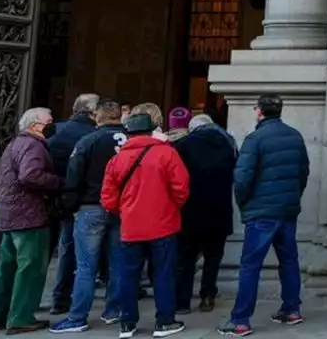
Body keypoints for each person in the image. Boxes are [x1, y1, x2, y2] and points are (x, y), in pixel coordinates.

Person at [218, 95, 311, 337]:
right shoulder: (295, 136)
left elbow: (242, 179)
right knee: (289, 260)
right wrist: (293, 197)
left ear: (259, 112)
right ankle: (292, 309)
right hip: (287, 209)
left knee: (250, 265)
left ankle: (240, 320)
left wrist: (244, 204)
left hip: (261, 212)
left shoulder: (255, 139)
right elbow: (303, 172)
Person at [100, 114, 189, 339]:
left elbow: (108, 198)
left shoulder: (116, 160)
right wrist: (170, 207)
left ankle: (127, 323)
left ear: (128, 133)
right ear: (151, 131)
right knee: (163, 274)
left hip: (130, 227)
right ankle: (164, 321)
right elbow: (181, 188)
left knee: (128, 275)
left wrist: (126, 211)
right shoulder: (167, 153)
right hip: (163, 225)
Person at [50, 100, 129, 333]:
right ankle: (113, 310)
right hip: (121, 208)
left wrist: (70, 205)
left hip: (91, 207)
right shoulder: (131, 141)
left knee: (86, 266)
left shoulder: (89, 141)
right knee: (117, 262)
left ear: (98, 116)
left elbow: (74, 175)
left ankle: (77, 317)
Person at [0, 108, 61, 335]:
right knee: (30, 269)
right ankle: (20, 317)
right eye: (49, 121)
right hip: (30, 217)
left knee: (6, 268)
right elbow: (30, 175)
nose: (52, 125)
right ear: (35, 125)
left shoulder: (15, 144)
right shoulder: (33, 145)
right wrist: (57, 182)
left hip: (11, 215)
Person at [172, 114, 237, 314]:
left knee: (186, 257)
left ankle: (182, 302)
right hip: (220, 208)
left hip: (191, 209)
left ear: (193, 129)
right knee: (213, 257)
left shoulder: (183, 145)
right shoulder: (229, 144)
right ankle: (208, 295)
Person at [47, 94, 100, 316]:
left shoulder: (56, 132)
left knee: (53, 251)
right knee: (78, 254)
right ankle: (71, 302)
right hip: (81, 202)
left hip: (51, 198)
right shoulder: (92, 136)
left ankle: (57, 298)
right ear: (91, 111)